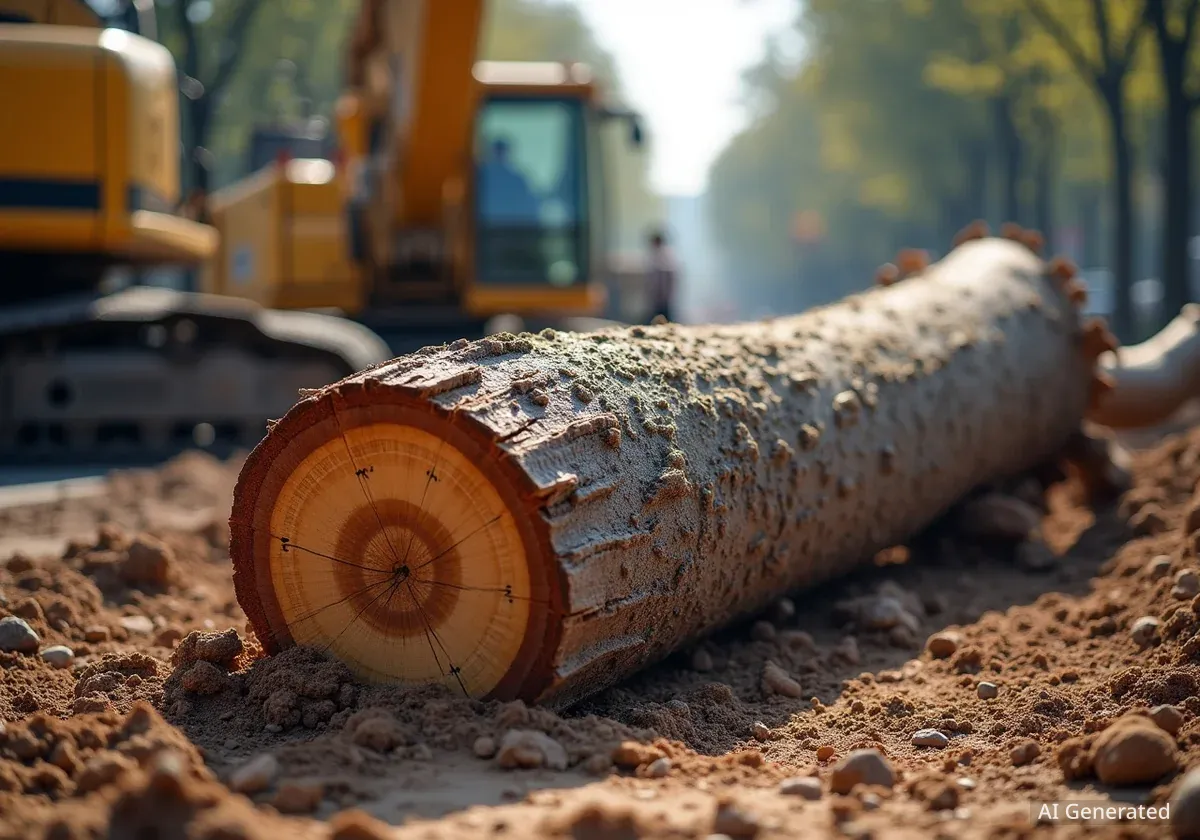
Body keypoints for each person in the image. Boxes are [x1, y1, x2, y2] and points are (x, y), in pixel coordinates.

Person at [478, 137, 541, 224]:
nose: (500, 155)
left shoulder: (517, 180)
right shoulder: (481, 177)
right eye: (498, 152)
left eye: (501, 152)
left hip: (511, 229)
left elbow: (530, 209)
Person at [646, 228, 679, 324]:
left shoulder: (664, 256)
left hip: (662, 295)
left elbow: (665, 277)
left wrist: (663, 293)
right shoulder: (656, 255)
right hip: (658, 295)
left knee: (664, 315)